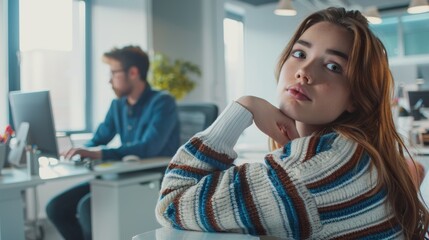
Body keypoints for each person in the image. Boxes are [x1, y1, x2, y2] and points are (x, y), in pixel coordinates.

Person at [156, 7, 429, 239]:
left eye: (333, 66)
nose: (304, 73)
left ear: (355, 98)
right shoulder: (355, 153)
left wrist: (244, 107)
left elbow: (172, 203)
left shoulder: (318, 170)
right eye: (300, 54)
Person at [46, 45, 180, 240]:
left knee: (87, 207)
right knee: (56, 207)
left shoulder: (162, 102)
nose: (109, 80)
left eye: (114, 73)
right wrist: (78, 151)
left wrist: (98, 154)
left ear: (133, 72)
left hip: (152, 178)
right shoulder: (118, 105)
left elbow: (149, 147)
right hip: (121, 174)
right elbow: (99, 138)